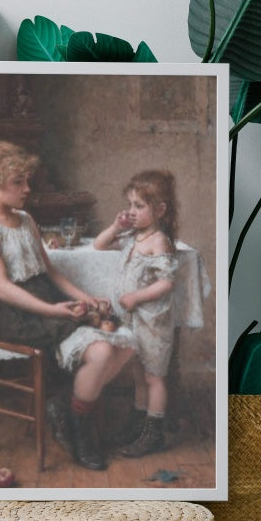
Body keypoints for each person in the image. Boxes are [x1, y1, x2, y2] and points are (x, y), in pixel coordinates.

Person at [0, 141, 136, 471]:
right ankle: (80, 426)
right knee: (101, 351)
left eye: (27, 181)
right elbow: (2, 289)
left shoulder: (26, 219)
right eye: (19, 182)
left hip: (45, 300)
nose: (27, 189)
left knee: (126, 343)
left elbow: (52, 272)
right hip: (16, 314)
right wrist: (55, 311)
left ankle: (67, 407)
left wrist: (84, 298)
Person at [93, 169, 179, 457]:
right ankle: (137, 423)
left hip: (153, 322)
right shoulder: (134, 236)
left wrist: (137, 297)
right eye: (130, 204)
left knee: (154, 377)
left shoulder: (158, 240)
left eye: (138, 206)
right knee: (139, 373)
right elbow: (99, 244)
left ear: (160, 209)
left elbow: (167, 282)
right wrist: (116, 226)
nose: (132, 211)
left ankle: (153, 432)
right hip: (134, 322)